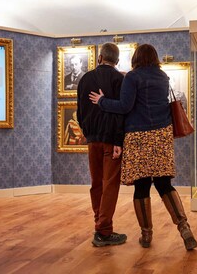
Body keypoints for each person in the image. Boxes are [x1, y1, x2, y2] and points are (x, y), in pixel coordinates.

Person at [90, 44, 197, 251]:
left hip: (138, 136)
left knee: (142, 187)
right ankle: (184, 228)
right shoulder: (163, 77)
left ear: (136, 58)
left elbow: (124, 106)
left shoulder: (132, 77)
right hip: (161, 135)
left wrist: (102, 101)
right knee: (164, 184)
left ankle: (146, 235)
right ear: (155, 58)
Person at [76, 42, 127, 247]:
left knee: (96, 183)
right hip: (112, 141)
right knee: (110, 185)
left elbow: (79, 113)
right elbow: (123, 112)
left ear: (99, 58)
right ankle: (104, 231)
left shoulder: (85, 78)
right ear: (117, 61)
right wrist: (118, 140)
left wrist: (88, 133)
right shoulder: (118, 79)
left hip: (93, 140)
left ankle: (100, 224)